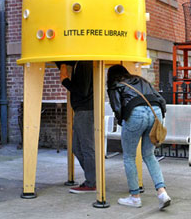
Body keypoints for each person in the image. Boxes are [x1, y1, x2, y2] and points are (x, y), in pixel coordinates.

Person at [107, 64, 171, 210]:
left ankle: (135, 197)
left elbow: (117, 108)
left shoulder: (114, 85)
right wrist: (160, 117)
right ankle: (162, 193)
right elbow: (160, 99)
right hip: (156, 112)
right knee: (149, 155)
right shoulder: (140, 79)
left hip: (135, 113)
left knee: (129, 156)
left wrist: (124, 122)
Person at [56, 61, 96, 194]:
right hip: (82, 111)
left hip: (85, 111)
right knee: (77, 148)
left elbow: (83, 90)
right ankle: (93, 178)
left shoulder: (84, 63)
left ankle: (92, 183)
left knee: (86, 148)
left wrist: (65, 81)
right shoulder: (79, 63)